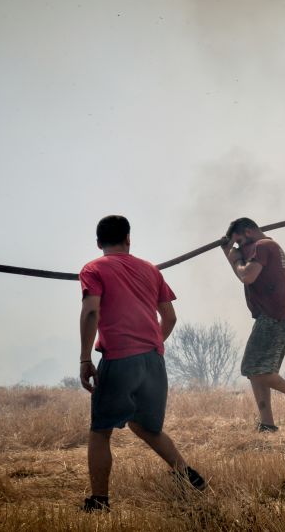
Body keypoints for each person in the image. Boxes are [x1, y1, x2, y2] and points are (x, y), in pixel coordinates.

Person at [78, 215, 205, 512]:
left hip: (119, 359)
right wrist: (151, 346)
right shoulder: (150, 270)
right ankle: (188, 477)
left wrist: (85, 358)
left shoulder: (93, 269)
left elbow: (90, 313)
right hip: (153, 362)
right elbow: (170, 318)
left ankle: (99, 502)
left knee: (100, 431)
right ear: (128, 239)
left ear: (99, 243)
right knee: (146, 427)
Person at [221, 217, 285, 432]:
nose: (239, 247)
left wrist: (234, 259)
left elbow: (247, 276)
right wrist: (231, 254)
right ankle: (267, 424)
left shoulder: (263, 246)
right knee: (258, 370)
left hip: (273, 316)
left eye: (239, 242)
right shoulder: (265, 246)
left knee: (252, 368)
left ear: (248, 232)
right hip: (271, 316)